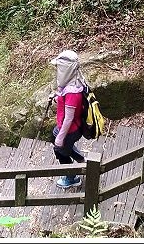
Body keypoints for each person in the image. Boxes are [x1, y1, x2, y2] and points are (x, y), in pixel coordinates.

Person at [51, 50, 86, 189]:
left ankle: (72, 178)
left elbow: (69, 118)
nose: (58, 70)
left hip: (71, 129)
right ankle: (81, 160)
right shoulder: (73, 82)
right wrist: (56, 98)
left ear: (65, 69)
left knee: (60, 151)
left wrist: (60, 138)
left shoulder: (72, 92)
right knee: (55, 136)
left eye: (59, 68)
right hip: (70, 127)